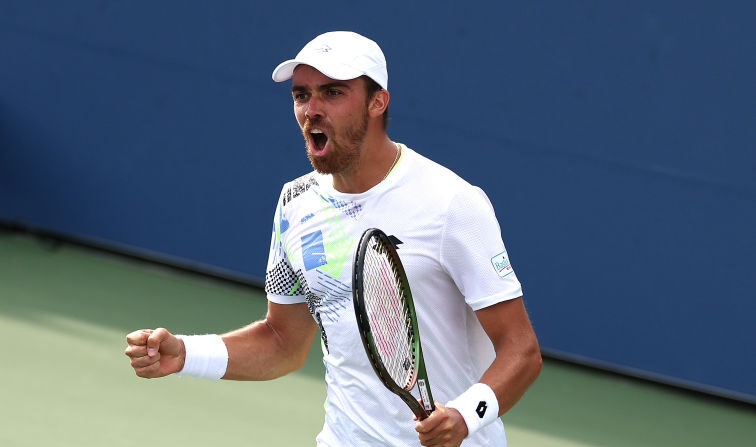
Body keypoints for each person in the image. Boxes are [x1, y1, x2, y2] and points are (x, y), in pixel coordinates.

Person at [125, 31, 541, 447]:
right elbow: (282, 340)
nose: (312, 110)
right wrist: (185, 354)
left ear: (377, 102)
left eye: (333, 92)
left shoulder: (452, 204)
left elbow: (521, 351)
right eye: (301, 95)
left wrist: (466, 416)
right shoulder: (295, 202)